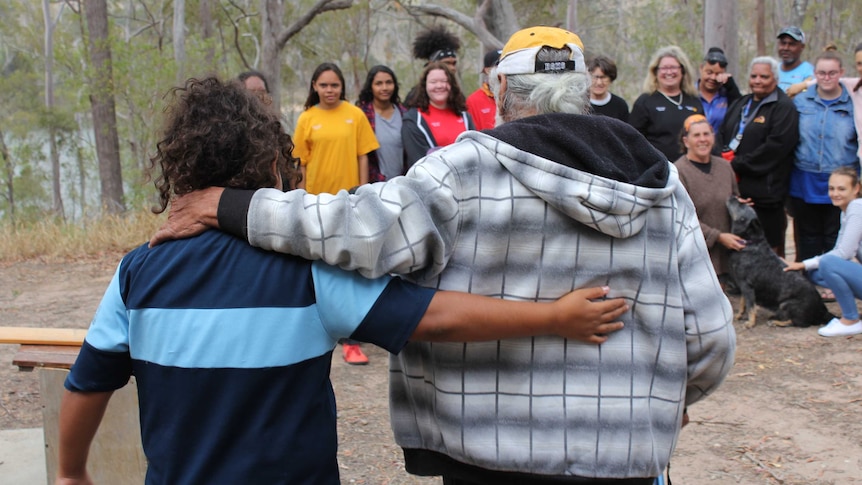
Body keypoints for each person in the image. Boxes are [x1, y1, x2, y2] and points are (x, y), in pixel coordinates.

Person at [151, 27, 735, 483]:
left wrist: (230, 206)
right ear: (586, 91)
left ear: (500, 91)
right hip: (624, 456)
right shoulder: (660, 188)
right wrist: (665, 404)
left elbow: (355, 227)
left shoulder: (464, 170)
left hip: (481, 453)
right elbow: (710, 336)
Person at [56, 76, 629, 485]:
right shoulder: (305, 271)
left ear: (178, 167)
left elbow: (86, 385)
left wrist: (69, 469)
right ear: (272, 165)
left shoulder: (139, 271)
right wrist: (553, 317)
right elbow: (438, 317)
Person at [294, 62, 379, 364]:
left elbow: (363, 156)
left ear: (342, 87)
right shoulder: (307, 118)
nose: (330, 90)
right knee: (320, 265)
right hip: (316, 203)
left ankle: (352, 338)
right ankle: (318, 326)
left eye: (335, 85)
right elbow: (301, 164)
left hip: (349, 201)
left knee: (350, 264)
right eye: (324, 85)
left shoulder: (354, 116)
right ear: (314, 87)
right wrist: (301, 198)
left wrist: (363, 193)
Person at [720, 56, 799, 258]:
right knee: (740, 236)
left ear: (775, 78)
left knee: (769, 239)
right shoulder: (742, 103)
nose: (757, 80)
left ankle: (774, 280)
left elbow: (776, 148)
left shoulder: (783, 107)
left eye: (764, 76)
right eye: (754, 76)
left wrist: (737, 164)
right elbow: (724, 133)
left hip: (767, 189)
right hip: (737, 184)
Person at [789, 48, 859, 263]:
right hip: (805, 176)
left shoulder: (855, 102)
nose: (826, 78)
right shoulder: (800, 102)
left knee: (835, 231)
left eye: (832, 73)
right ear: (814, 74)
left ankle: (832, 279)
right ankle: (811, 278)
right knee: (808, 232)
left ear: (841, 73)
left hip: (841, 176)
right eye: (821, 73)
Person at [785, 167, 862, 337]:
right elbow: (839, 252)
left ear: (856, 189)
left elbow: (844, 253)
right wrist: (807, 266)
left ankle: (851, 320)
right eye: (831, 188)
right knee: (817, 272)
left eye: (842, 189)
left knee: (827, 264)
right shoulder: (846, 210)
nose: (835, 193)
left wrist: (802, 264)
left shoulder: (857, 207)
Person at [674, 114, 747, 287]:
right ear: (686, 141)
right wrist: (718, 236)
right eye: (696, 135)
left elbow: (733, 198)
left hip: (727, 254)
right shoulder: (678, 172)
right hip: (695, 255)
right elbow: (682, 217)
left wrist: (741, 206)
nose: (703, 140)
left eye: (706, 134)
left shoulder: (725, 166)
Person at [787, 42, 862, 163]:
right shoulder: (855, 88)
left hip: (846, 168)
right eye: (859, 64)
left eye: (832, 73)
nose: (827, 77)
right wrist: (804, 84)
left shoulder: (850, 96)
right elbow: (833, 79)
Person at [630, 45, 705, 161]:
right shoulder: (645, 102)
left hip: (691, 168)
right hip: (658, 168)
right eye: (664, 68)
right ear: (655, 72)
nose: (669, 72)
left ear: (683, 70)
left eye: (673, 67)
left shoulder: (694, 100)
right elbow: (633, 140)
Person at [401, 61, 475, 167]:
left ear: (451, 84)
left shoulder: (465, 116)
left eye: (444, 81)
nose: (439, 86)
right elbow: (419, 162)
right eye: (433, 82)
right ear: (424, 86)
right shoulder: (413, 120)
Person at [356, 65, 408, 181]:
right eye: (378, 84)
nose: (384, 88)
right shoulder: (362, 115)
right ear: (371, 87)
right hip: (374, 184)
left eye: (389, 82)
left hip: (403, 183)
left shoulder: (405, 114)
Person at [404, 25, 462, 108]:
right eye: (446, 63)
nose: (452, 68)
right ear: (431, 64)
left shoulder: (457, 94)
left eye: (454, 63)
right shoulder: (415, 96)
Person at [697, 47, 741, 136]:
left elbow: (740, 111)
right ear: (701, 68)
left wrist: (731, 87)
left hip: (720, 147)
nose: (713, 78)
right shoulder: (689, 93)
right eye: (709, 73)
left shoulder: (728, 94)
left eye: (718, 74)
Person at [466, 49, 501, 130]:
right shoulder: (473, 101)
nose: (503, 70)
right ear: (487, 70)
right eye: (498, 65)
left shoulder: (516, 96)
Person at [588, 55, 629, 122]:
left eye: (603, 77)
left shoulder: (620, 106)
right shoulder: (580, 104)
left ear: (611, 79)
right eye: (595, 77)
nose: (599, 82)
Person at [776, 26, 814, 92]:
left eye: (792, 44)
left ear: (802, 47)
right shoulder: (773, 70)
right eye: (783, 43)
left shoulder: (810, 72)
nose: (786, 48)